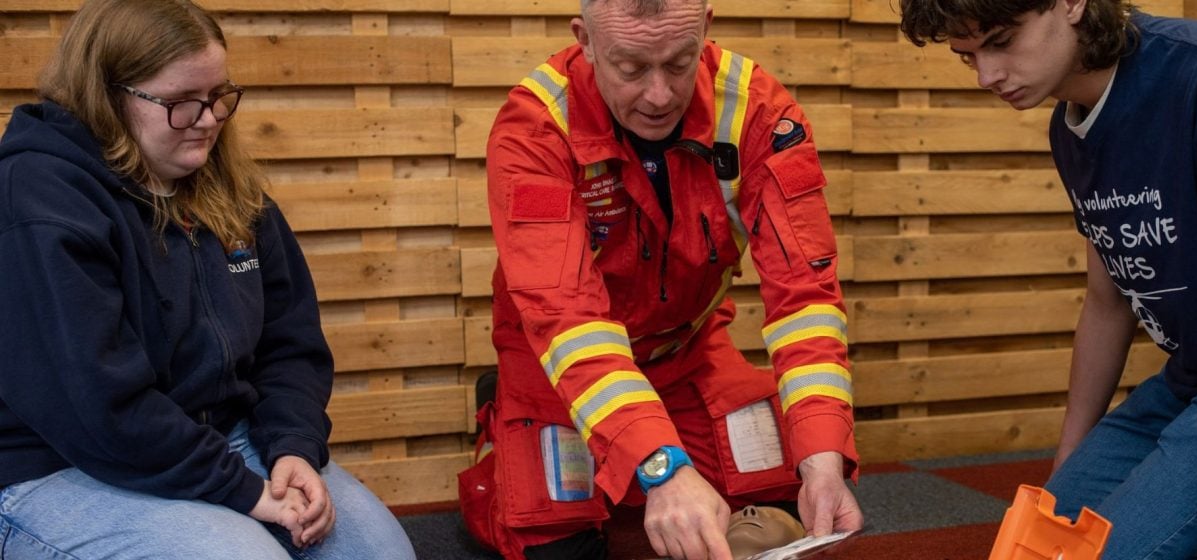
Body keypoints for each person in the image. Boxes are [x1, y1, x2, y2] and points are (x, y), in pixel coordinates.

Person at [0, 1, 415, 558]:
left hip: (219, 438)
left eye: (219, 95)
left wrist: (292, 446)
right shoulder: (41, 196)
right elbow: (98, 406)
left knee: (379, 551)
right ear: (107, 95)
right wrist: (243, 492)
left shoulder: (231, 189)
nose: (209, 119)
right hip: (60, 463)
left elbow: (289, 346)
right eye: (179, 103)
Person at [459, 0, 863, 558]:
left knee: (790, 494)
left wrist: (823, 456)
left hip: (688, 349)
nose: (659, 95)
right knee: (548, 536)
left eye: (679, 63)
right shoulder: (534, 128)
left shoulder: (759, 113)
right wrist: (662, 465)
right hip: (558, 362)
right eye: (630, 68)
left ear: (706, 29)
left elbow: (805, 300)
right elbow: (567, 319)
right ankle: (503, 426)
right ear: (587, 40)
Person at [899, 0, 1197, 558]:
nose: (988, 77)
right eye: (967, 58)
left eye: (1001, 42)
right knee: (1038, 543)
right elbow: (1107, 303)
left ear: (1070, 4)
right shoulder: (1069, 126)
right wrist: (1071, 468)